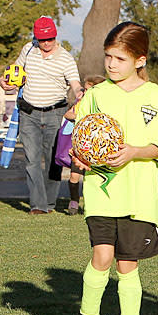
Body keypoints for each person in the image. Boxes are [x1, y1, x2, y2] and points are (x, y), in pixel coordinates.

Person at [71, 22, 158, 315]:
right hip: (102, 193)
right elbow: (78, 143)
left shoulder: (155, 95)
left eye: (120, 59)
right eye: (108, 57)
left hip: (139, 198)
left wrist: (133, 151)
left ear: (140, 61)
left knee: (127, 266)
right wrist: (81, 158)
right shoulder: (96, 95)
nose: (111, 64)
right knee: (101, 256)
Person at [0, 16, 82, 214]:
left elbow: (75, 82)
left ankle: (50, 202)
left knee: (54, 160)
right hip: (29, 112)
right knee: (32, 159)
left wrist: (80, 92)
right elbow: (15, 72)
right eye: (42, 39)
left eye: (50, 39)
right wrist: (5, 81)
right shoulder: (29, 49)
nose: (46, 43)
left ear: (55, 36)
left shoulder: (65, 58)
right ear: (36, 37)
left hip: (56, 112)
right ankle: (38, 205)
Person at [62, 74, 105, 215]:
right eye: (84, 89)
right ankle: (74, 201)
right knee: (74, 175)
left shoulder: (105, 104)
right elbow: (68, 114)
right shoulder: (81, 103)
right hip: (80, 144)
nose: (84, 92)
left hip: (97, 146)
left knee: (94, 178)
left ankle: (93, 205)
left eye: (88, 89)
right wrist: (79, 116)